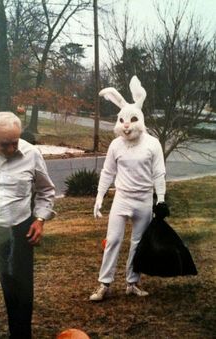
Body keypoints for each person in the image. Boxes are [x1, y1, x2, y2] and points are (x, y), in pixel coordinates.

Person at [90, 76, 167, 301]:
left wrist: (160, 199)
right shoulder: (116, 145)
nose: (127, 124)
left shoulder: (152, 144)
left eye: (132, 119)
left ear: (140, 119)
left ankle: (132, 282)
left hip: (143, 199)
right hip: (122, 198)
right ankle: (104, 284)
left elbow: (158, 172)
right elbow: (107, 172)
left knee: (138, 242)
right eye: (123, 119)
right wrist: (99, 196)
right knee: (113, 239)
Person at [0, 112, 55, 338]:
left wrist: (40, 219)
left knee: (20, 298)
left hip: (17, 233)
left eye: (16, 141)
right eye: (6, 144)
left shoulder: (31, 154)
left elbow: (46, 190)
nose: (13, 148)